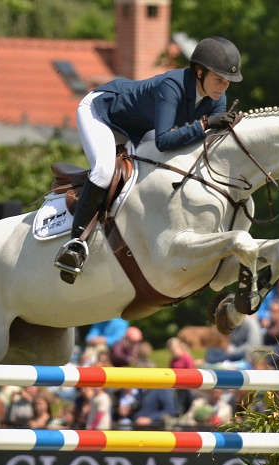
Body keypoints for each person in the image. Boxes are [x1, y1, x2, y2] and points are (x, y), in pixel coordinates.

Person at [54, 36, 243, 282]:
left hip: (139, 128)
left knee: (157, 171)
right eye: (218, 79)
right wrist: (206, 123)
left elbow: (206, 145)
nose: (223, 87)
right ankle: (75, 244)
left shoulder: (219, 99)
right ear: (199, 72)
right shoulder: (171, 86)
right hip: (101, 113)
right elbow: (164, 141)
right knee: (103, 170)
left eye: (228, 82)